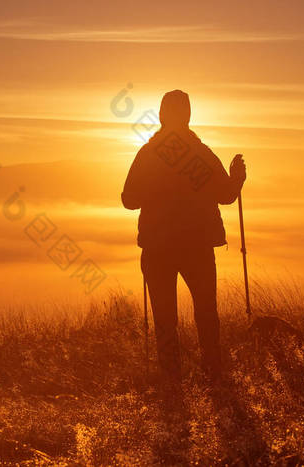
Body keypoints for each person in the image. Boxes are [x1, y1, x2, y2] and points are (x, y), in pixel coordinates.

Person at [121, 90, 246, 383]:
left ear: (162, 115)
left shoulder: (147, 154)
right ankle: (213, 374)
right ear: (188, 115)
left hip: (157, 249)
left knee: (165, 320)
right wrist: (237, 177)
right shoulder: (200, 154)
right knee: (206, 312)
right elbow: (226, 195)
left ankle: (171, 381)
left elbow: (129, 200)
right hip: (197, 247)